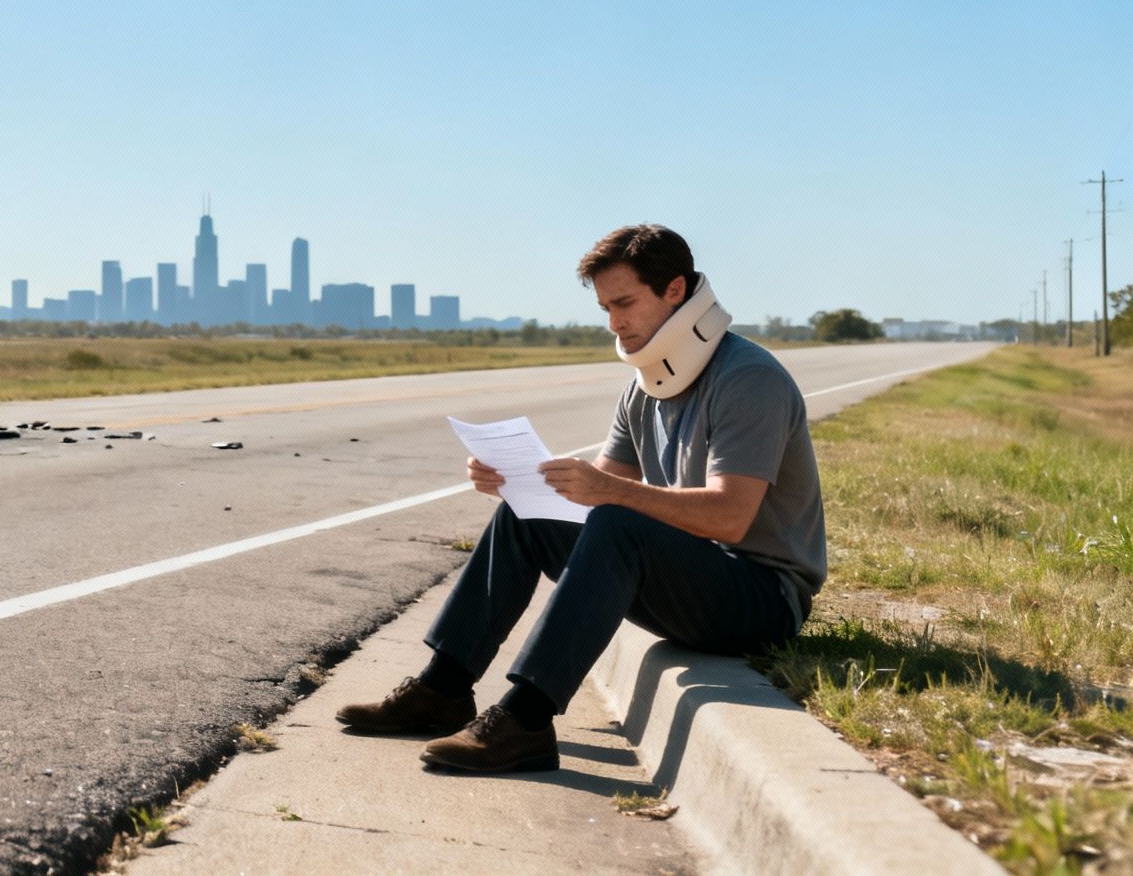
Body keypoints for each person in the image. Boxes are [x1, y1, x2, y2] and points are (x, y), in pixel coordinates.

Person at [335, 224, 824, 772]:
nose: (614, 322)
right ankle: (442, 689)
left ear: (676, 290)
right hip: (692, 580)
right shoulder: (645, 386)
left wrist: (611, 492)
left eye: (625, 303)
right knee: (526, 518)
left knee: (620, 521)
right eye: (605, 308)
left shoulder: (748, 378)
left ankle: (526, 719)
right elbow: (592, 497)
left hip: (762, 600)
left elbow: (731, 518)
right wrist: (517, 480)